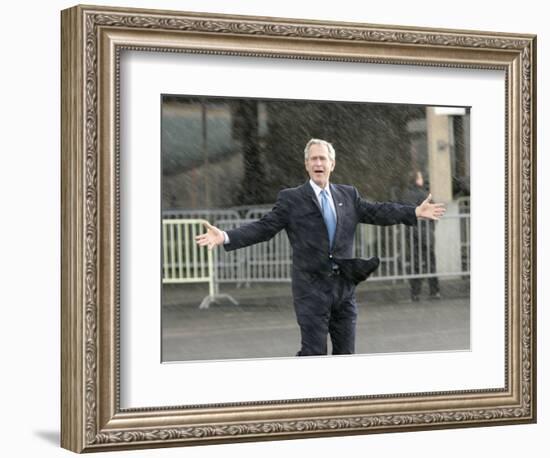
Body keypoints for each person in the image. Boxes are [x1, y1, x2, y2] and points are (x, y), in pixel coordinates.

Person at [196, 139, 445, 356]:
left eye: (322, 158)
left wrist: (413, 212)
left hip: (343, 290)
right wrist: (226, 236)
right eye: (313, 159)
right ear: (306, 165)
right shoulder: (291, 198)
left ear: (332, 164)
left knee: (345, 354)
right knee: (313, 354)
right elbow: (264, 227)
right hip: (310, 290)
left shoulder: (348, 195)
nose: (318, 163)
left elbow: (378, 211)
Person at [402, 170, 441, 301]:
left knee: (415, 262)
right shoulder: (424, 194)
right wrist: (431, 227)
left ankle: (415, 293)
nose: (422, 179)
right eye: (420, 177)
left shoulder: (406, 194)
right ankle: (434, 291)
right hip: (425, 232)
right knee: (430, 261)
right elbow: (434, 211)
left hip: (412, 232)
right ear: (417, 180)